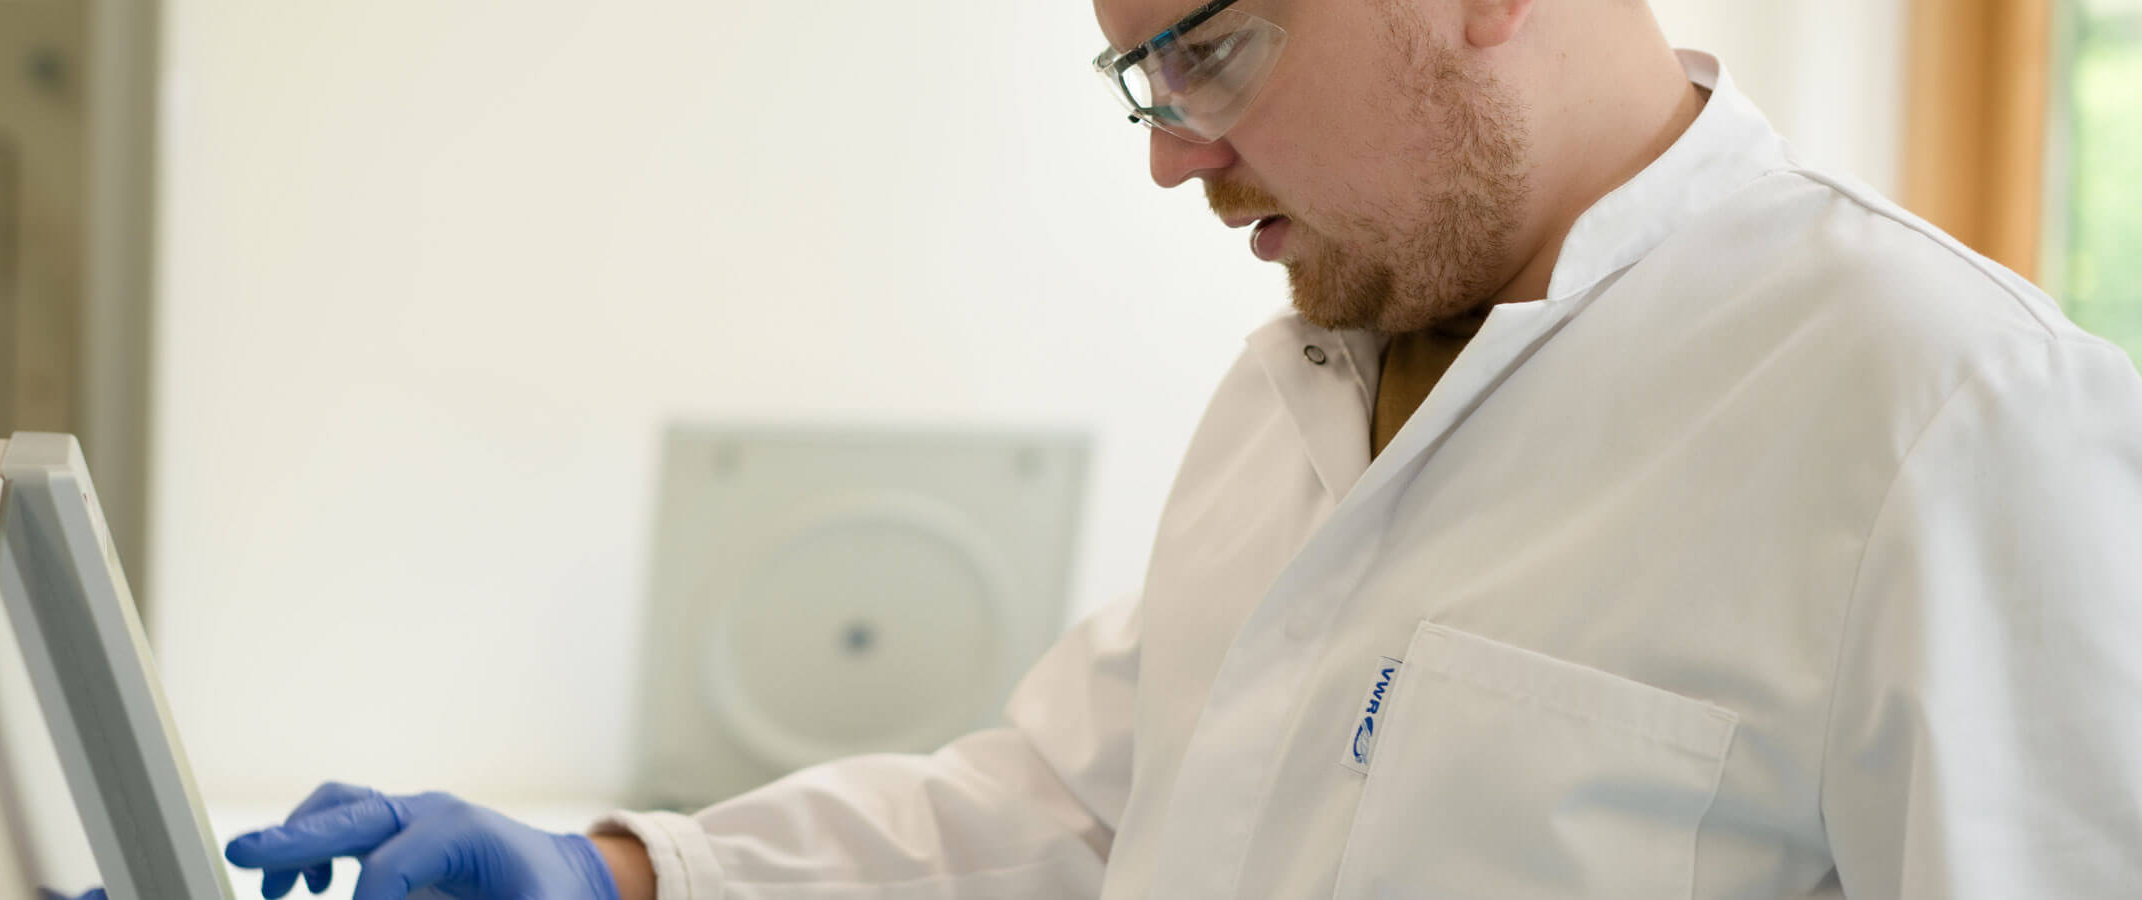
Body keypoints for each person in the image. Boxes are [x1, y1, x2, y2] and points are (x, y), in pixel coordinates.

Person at [225, 0, 2142, 897]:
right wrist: (623, 878)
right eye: (1137, 74)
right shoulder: (1301, 379)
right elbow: (1080, 816)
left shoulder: (1942, 416)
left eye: (1208, 51)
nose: (1169, 154)